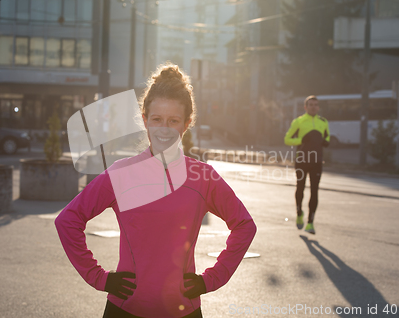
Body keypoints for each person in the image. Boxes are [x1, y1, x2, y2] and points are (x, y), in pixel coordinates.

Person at [55, 63, 257, 318]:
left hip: (183, 311)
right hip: (124, 309)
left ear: (186, 123)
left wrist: (211, 280)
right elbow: (68, 221)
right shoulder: (121, 174)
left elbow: (244, 225)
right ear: (144, 120)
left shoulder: (203, 177)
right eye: (157, 119)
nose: (164, 128)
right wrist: (99, 278)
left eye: (173, 121)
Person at [284, 95, 330, 235]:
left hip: (317, 161)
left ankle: (310, 222)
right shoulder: (298, 121)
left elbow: (327, 137)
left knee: (314, 191)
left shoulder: (323, 121)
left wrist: (325, 141)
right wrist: (301, 140)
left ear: (318, 107)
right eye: (310, 104)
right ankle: (299, 212)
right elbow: (287, 139)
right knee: (300, 188)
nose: (313, 107)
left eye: (316, 105)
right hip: (302, 161)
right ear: (305, 107)